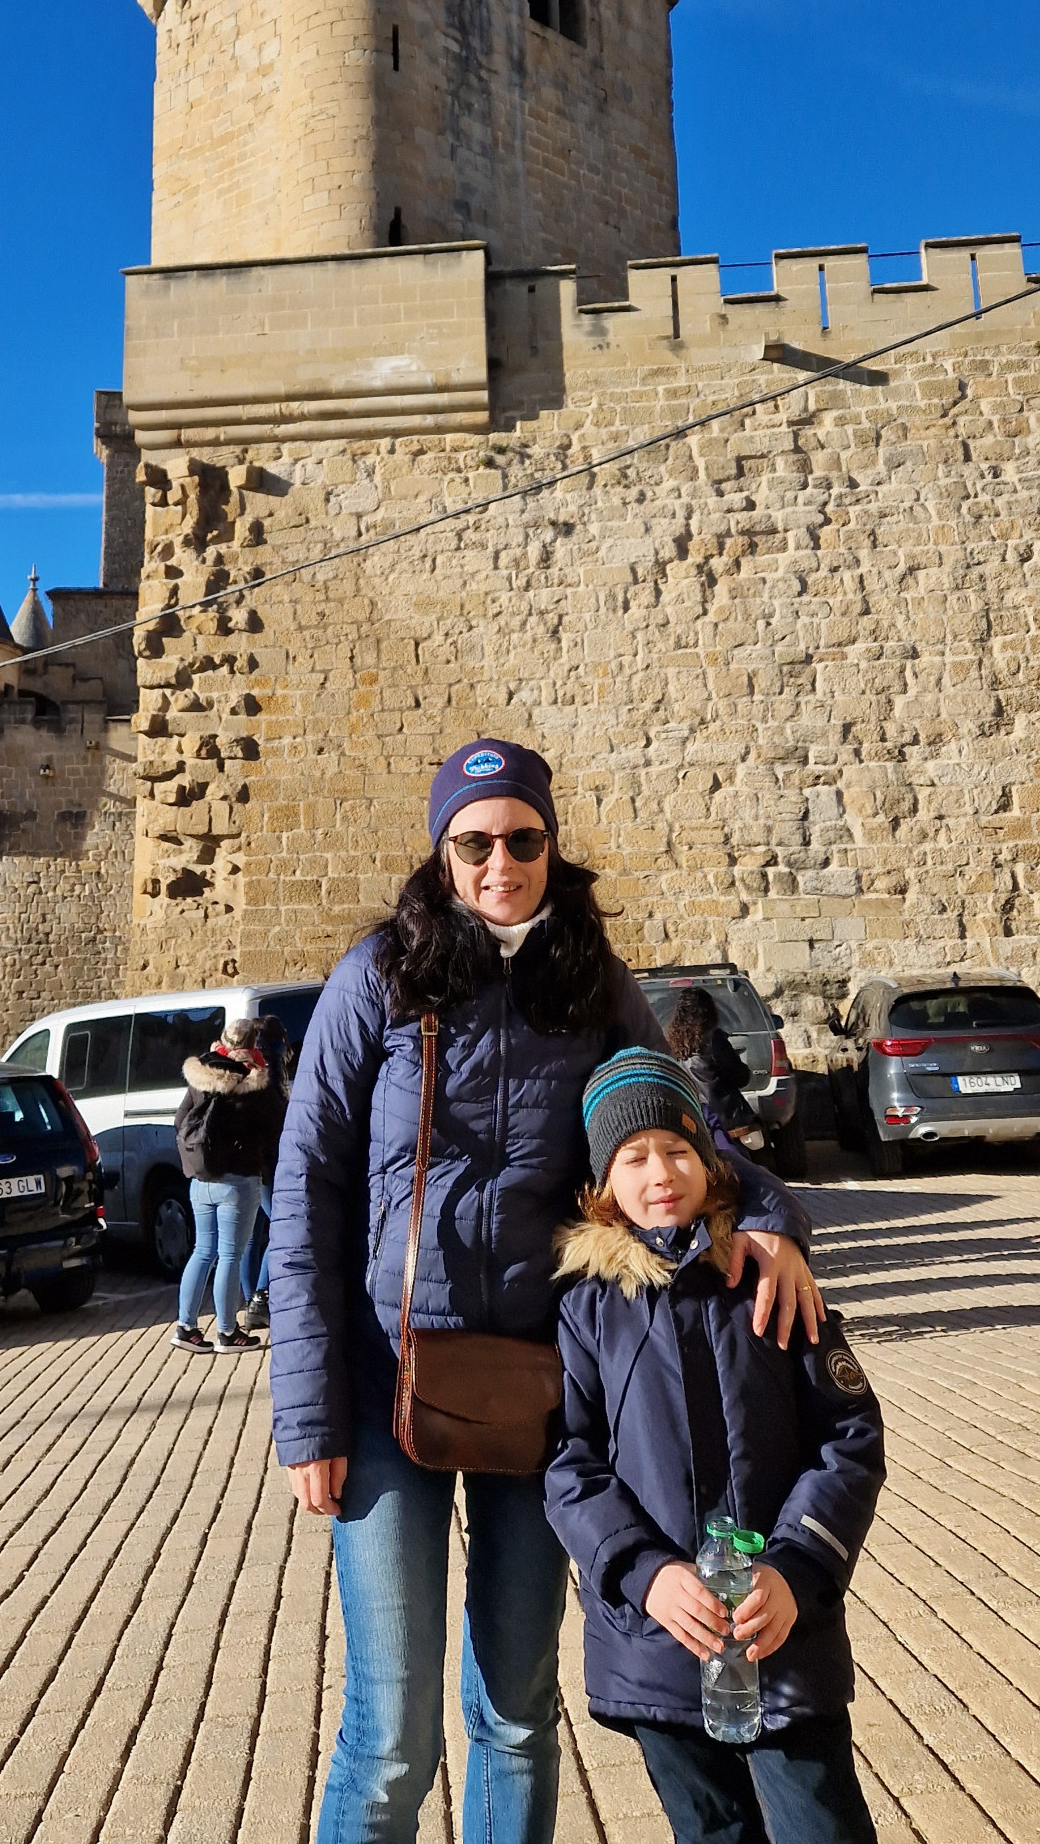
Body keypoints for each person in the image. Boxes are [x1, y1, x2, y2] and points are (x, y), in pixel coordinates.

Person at [270, 739, 824, 1844]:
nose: (499, 862)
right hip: (387, 1380)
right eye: (472, 841)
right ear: (439, 854)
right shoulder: (375, 974)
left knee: (517, 1713)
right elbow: (305, 1188)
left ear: (550, 844)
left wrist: (766, 1217)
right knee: (389, 1730)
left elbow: (683, 1133)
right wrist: (305, 1412)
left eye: (522, 838)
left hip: (543, 1385)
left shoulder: (586, 973)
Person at [547, 1049, 885, 1844]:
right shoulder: (586, 1309)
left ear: (710, 1161)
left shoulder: (766, 1276)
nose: (660, 1171)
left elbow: (848, 1435)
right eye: (634, 1157)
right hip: (658, 1644)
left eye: (679, 1149)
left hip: (781, 1631)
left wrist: (800, 1567)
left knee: (820, 1824)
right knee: (712, 1831)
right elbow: (570, 1462)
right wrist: (643, 1573)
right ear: (604, 1186)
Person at [173, 997, 284, 1355]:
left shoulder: (201, 1076)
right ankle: (227, 1332)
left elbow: (181, 1122)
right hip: (239, 1180)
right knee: (231, 1255)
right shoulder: (255, 1082)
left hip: (201, 1180)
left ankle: (186, 1327)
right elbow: (275, 1128)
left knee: (202, 1251)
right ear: (253, 1045)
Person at [238, 1011, 292, 1334]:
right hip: (268, 1164)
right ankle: (259, 1296)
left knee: (252, 1234)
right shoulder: (271, 1072)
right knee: (281, 1226)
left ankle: (249, 1299)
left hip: (250, 1162)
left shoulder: (250, 1067)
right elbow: (275, 1121)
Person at [666, 987, 766, 1158]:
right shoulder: (713, 1038)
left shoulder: (673, 1042)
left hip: (693, 1116)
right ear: (708, 1011)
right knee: (739, 1166)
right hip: (725, 1117)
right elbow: (739, 1075)